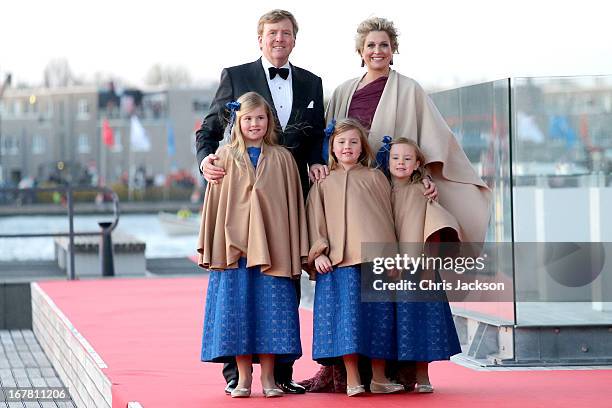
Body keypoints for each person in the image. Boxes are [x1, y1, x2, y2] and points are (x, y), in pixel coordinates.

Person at [302, 16, 491, 393]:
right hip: (355, 199)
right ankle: (351, 372)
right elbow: (331, 143)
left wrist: (424, 179)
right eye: (370, 45)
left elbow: (434, 141)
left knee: (407, 279)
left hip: (399, 192)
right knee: (354, 287)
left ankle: (409, 371)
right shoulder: (342, 92)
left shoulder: (410, 90)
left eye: (384, 45)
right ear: (360, 51)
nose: (377, 51)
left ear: (394, 50)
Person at [195, 9, 326, 394]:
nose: (279, 39)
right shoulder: (236, 76)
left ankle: (280, 373)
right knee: (238, 285)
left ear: (294, 39)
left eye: (286, 33)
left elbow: (318, 134)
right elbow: (210, 126)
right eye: (272, 33)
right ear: (260, 38)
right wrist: (205, 159)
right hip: (239, 191)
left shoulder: (312, 82)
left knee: (284, 281)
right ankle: (237, 374)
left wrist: (318, 159)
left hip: (289, 190)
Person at [198, 92, 308, 398]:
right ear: (238, 121)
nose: (255, 124)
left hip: (273, 251)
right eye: (248, 119)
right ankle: (243, 378)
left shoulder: (283, 158)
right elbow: (214, 206)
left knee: (273, 311)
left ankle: (270, 378)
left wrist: (295, 247)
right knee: (239, 312)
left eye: (260, 118)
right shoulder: (223, 157)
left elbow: (292, 206)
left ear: (269, 121)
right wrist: (211, 245)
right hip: (236, 252)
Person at [306, 118, 404, 397]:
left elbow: (390, 219)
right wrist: (319, 252)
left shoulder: (376, 178)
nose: (347, 147)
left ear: (362, 147)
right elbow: (315, 221)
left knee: (379, 318)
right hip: (338, 263)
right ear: (332, 147)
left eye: (353, 142)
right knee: (346, 321)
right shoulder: (323, 183)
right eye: (341, 142)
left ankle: (380, 377)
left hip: (375, 261)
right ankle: (352, 379)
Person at [384, 137, 462, 393]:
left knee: (419, 320)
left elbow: (435, 230)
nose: (401, 163)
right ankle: (393, 375)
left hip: (418, 267)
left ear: (418, 164)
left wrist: (429, 268)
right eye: (395, 158)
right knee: (390, 322)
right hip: (386, 266)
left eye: (408, 159)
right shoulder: (380, 188)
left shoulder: (423, 191)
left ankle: (422, 374)